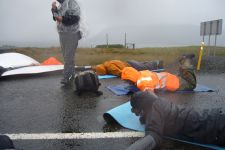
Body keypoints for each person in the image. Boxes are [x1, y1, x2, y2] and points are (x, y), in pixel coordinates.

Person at [127, 91, 225, 150]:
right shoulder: (159, 102)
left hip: (215, 129)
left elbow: (154, 137)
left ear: (142, 107)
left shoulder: (154, 112)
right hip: (212, 118)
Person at [121, 54, 196, 92]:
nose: (127, 82)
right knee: (182, 76)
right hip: (169, 77)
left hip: (175, 84)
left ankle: (186, 64)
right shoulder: (142, 73)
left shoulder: (142, 82)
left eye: (126, 80)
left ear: (130, 78)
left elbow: (149, 95)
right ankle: (184, 63)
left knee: (192, 85)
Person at [51, 0, 82, 85]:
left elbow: (76, 17)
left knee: (68, 56)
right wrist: (54, 9)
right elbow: (56, 18)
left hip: (72, 33)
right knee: (67, 56)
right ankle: (71, 75)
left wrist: (63, 19)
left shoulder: (71, 3)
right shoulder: (61, 5)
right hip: (62, 33)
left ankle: (66, 77)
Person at [92, 59, 163, 77]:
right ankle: (156, 62)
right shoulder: (106, 63)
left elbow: (120, 73)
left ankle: (157, 63)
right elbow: (96, 67)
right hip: (129, 62)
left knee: (145, 67)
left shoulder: (110, 68)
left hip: (131, 66)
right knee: (143, 64)